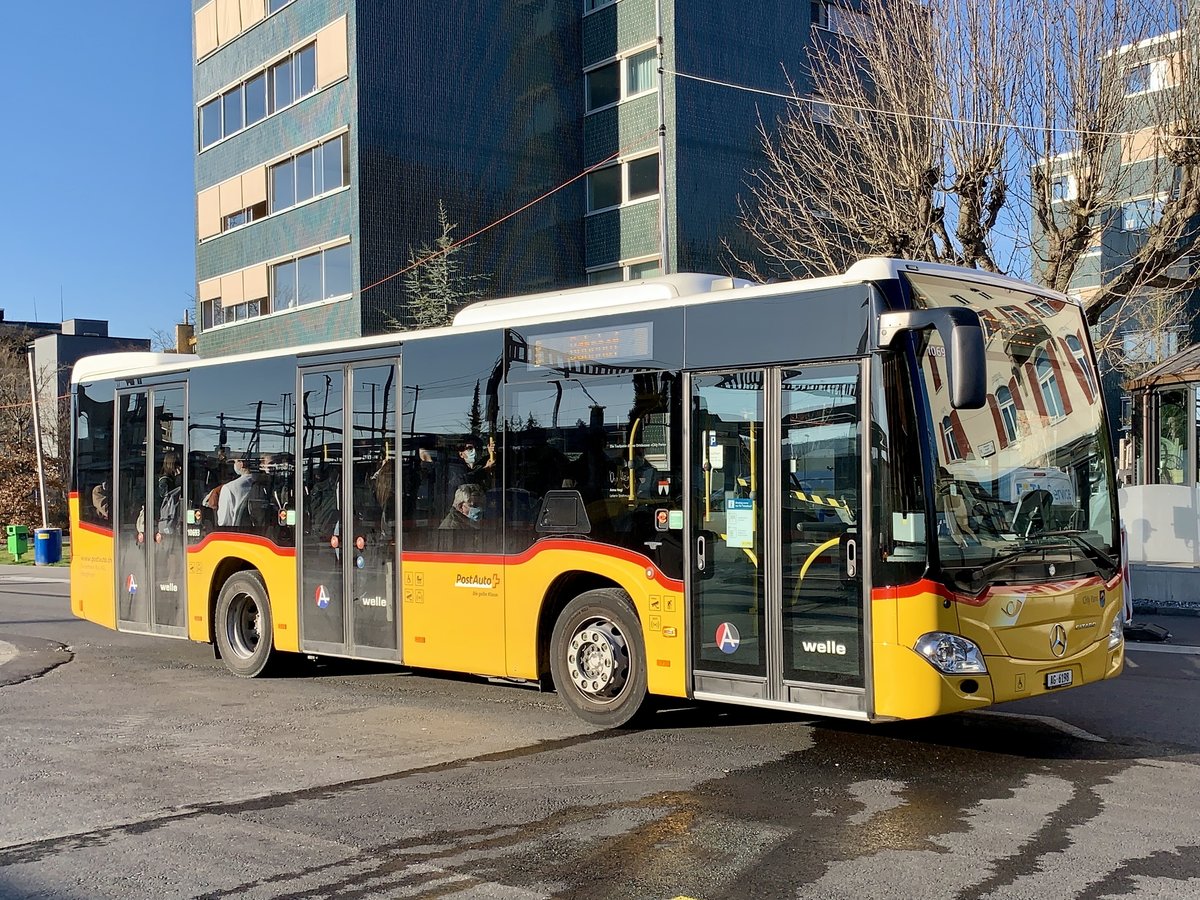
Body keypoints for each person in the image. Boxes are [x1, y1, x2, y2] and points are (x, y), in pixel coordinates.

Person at [446, 437, 494, 506]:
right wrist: (485, 470)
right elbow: (465, 479)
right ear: (461, 454)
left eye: (477, 448)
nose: (474, 451)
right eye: (469, 449)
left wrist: (492, 453)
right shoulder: (454, 467)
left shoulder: (480, 466)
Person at [217, 457, 256, 526]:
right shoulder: (267, 483)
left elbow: (223, 521)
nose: (234, 465)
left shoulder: (229, 488)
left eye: (235, 462)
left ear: (242, 463)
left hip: (236, 533)